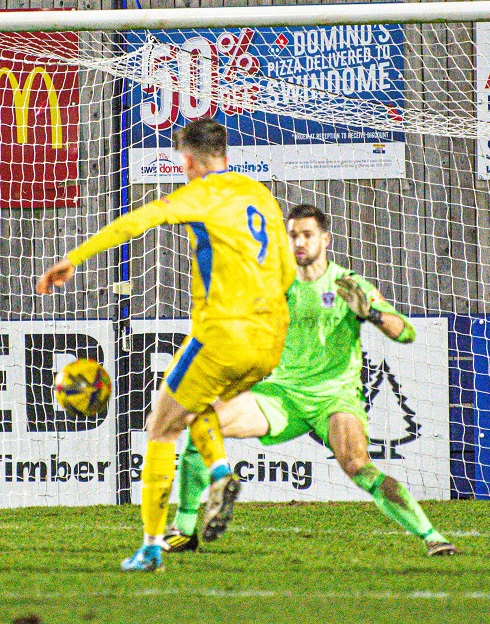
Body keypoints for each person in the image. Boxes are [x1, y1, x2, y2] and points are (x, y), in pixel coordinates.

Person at [36, 118, 296, 572]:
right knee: (197, 410)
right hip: (270, 338)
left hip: (223, 335)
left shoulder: (199, 193)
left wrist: (72, 259)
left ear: (190, 161)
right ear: (227, 156)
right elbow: (288, 271)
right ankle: (218, 472)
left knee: (161, 425)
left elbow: (137, 222)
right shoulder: (262, 196)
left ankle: (152, 546)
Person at [162, 204, 456, 557]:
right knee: (202, 425)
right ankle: (186, 529)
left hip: (335, 397)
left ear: (325, 239)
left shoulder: (349, 284)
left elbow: (405, 333)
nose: (299, 242)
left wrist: (373, 314)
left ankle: (432, 536)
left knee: (358, 467)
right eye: (293, 235)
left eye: (307, 235)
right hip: (282, 395)